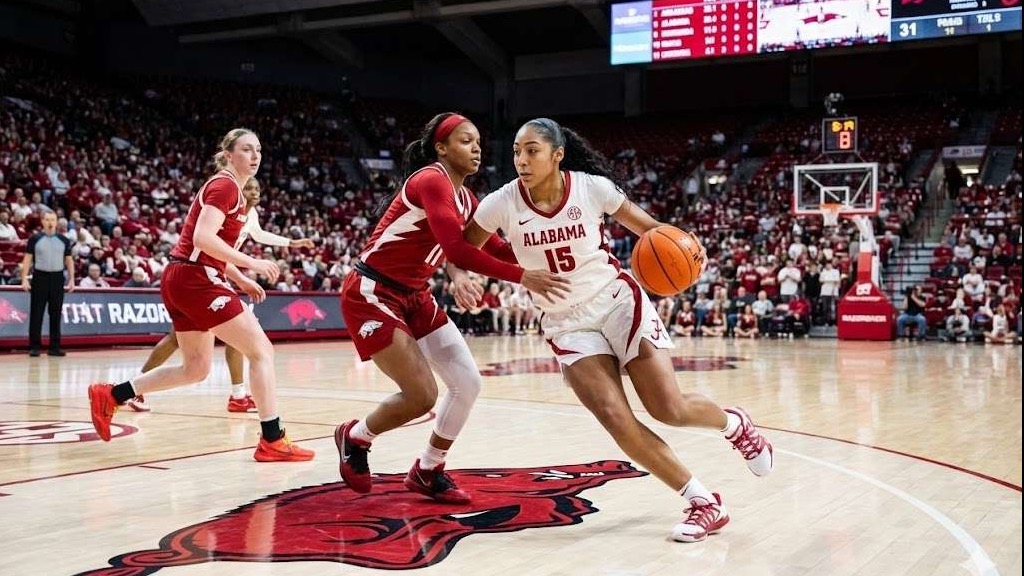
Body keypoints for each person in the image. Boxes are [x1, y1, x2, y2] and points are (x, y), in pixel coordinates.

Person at [461, 117, 773, 543]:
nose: (521, 160)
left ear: (557, 155)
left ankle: (735, 425)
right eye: (516, 151)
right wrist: (465, 275)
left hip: (616, 302)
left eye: (531, 150)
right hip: (564, 322)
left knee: (668, 408)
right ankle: (704, 503)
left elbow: (654, 231)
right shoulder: (501, 202)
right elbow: (462, 248)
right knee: (614, 417)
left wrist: (687, 253)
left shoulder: (592, 189)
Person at [335, 113, 568, 504]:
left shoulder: (465, 197)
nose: (476, 147)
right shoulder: (431, 180)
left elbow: (492, 246)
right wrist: (523, 277)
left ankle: (428, 469)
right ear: (441, 148)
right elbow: (459, 249)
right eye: (465, 141)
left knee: (468, 384)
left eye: (478, 141)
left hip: (415, 293)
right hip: (372, 291)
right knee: (421, 396)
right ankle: (356, 436)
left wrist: (549, 256)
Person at [86, 128, 314, 462]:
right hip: (195, 280)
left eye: (259, 150)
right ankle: (272, 439)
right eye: (247, 150)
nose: (255, 156)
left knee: (195, 368)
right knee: (261, 350)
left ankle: (112, 394)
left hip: (186, 276)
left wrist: (239, 277)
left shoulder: (230, 189)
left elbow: (209, 248)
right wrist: (250, 263)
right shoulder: (225, 186)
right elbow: (204, 239)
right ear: (228, 154)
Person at [124, 177, 314, 414]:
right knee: (182, 342)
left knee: (238, 339)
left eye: (257, 187)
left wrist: (292, 243)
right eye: (248, 188)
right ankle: (135, 389)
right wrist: (243, 278)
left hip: (214, 275)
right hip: (201, 275)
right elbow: (210, 249)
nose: (253, 191)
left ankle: (238, 395)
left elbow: (258, 234)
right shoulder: (226, 207)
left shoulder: (249, 215)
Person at [21, 211, 74, 357]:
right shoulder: (35, 239)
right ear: (42, 222)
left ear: (56, 222)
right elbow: (27, 259)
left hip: (57, 278)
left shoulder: (64, 240)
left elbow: (69, 260)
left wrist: (72, 279)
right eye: (47, 220)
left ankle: (54, 347)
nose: (50, 222)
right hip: (40, 277)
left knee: (56, 313)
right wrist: (24, 278)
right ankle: (34, 347)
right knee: (37, 313)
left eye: (53, 219)